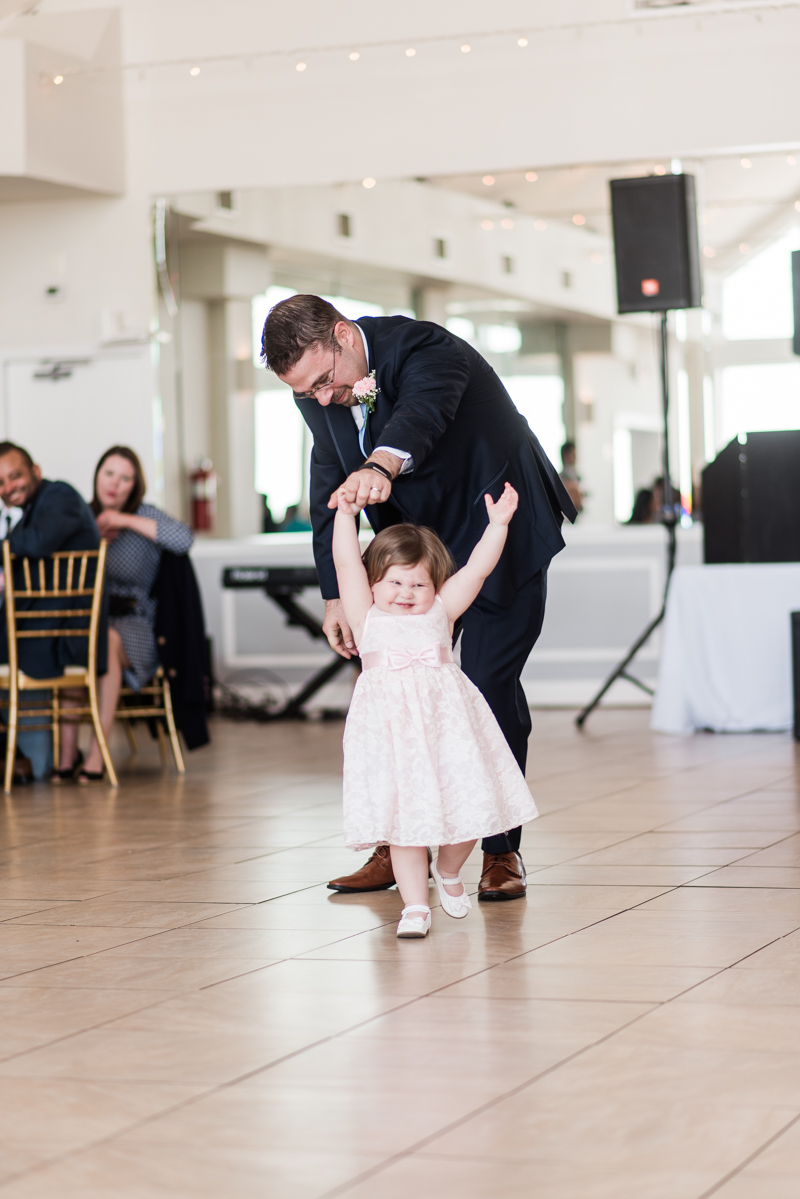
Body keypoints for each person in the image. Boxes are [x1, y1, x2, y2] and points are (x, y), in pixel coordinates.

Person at [261, 295, 576, 901]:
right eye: (307, 394)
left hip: (495, 525)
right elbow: (328, 469)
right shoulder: (318, 390)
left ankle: (500, 850)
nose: (322, 399)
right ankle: (395, 844)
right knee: (392, 694)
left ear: (345, 335)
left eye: (325, 382)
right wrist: (333, 593)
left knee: (484, 685)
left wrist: (380, 465)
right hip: (413, 551)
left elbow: (421, 417)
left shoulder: (427, 347)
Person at [333, 481, 538, 937]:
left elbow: (478, 571)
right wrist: (345, 516)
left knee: (473, 804)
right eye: (395, 582)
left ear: (435, 586)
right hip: (391, 736)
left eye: (418, 583)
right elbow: (346, 562)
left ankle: (448, 870)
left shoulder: (441, 612)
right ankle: (415, 907)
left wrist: (498, 526)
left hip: (448, 729)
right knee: (404, 824)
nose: (406, 593)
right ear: (373, 584)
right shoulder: (366, 618)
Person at [56, 446, 193, 783]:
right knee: (79, 641)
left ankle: (96, 754)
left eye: (125, 478)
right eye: (109, 474)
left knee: (107, 640)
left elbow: (184, 539)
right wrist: (91, 538)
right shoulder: (80, 515)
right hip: (86, 618)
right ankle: (65, 756)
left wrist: (123, 520)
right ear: (97, 476)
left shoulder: (145, 515)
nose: (115, 484)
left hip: (133, 622)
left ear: (135, 485)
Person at [0, 441, 102, 779]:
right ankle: (17, 757)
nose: (8, 487)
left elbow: (40, 542)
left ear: (36, 472)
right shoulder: (33, 510)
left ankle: (19, 759)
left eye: (15, 476)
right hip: (40, 629)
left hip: (61, 634)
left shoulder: (61, 498)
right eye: (0, 482)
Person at [559, 440, 584, 514]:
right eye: (573, 455)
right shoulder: (560, 479)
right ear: (565, 456)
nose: (575, 458)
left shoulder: (577, 477)